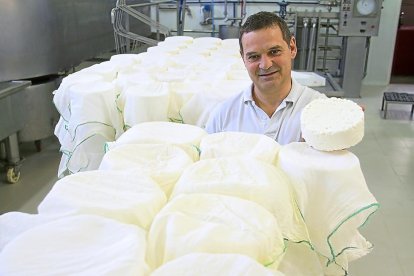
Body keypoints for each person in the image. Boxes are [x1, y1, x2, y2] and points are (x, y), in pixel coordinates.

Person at [205, 11, 326, 145]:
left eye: (274, 52)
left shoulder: (320, 110)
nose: (265, 65)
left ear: (292, 47)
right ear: (243, 58)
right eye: (254, 56)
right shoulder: (223, 115)